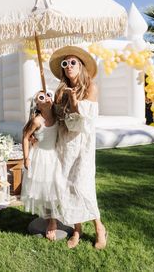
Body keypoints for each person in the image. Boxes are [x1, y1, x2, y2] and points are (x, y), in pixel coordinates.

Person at [49, 45, 107, 249]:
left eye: (73, 62)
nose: (68, 66)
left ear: (81, 66)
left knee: (83, 185)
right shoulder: (60, 91)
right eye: (65, 63)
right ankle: (77, 229)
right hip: (64, 143)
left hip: (82, 143)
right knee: (67, 186)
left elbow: (85, 120)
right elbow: (56, 119)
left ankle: (99, 227)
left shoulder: (91, 87)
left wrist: (74, 102)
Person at [21, 90, 62, 241]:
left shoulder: (58, 117)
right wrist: (26, 158)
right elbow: (25, 137)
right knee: (45, 191)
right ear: (37, 105)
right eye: (41, 97)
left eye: (48, 95)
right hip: (40, 158)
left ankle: (54, 216)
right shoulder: (37, 121)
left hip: (55, 155)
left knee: (56, 187)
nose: (47, 98)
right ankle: (51, 221)